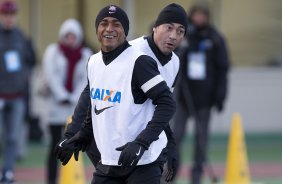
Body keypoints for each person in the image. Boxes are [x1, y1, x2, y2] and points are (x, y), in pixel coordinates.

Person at [55, 3, 188, 183]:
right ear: (155, 27)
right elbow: (91, 95)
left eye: (180, 31)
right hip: (113, 147)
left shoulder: (174, 63)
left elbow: (163, 104)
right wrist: (74, 135)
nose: (173, 35)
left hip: (144, 152)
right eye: (169, 28)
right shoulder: (128, 53)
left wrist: (168, 143)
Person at [173, 3, 230, 184]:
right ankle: (170, 174)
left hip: (205, 99)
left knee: (201, 141)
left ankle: (196, 177)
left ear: (207, 17)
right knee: (175, 137)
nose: (199, 19)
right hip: (183, 96)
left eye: (202, 15)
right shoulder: (183, 36)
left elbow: (223, 69)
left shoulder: (215, 39)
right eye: (196, 15)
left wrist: (220, 96)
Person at [42, 18, 92, 184]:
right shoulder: (53, 52)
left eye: (74, 36)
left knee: (74, 144)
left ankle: (72, 179)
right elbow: (51, 76)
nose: (70, 39)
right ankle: (51, 180)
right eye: (67, 35)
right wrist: (62, 95)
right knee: (54, 146)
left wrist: (74, 98)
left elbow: (86, 80)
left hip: (75, 108)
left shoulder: (85, 54)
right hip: (56, 107)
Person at [0, 1, 35, 183]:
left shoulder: (21, 36)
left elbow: (30, 60)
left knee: (13, 137)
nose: (8, 18)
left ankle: (8, 172)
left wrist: (25, 77)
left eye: (11, 14)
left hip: (17, 96)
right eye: (5, 14)